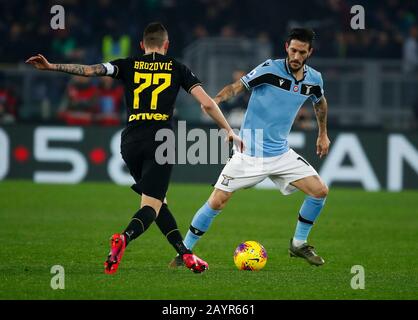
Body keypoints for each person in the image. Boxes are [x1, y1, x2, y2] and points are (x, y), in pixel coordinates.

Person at [26, 22, 243, 274]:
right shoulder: (177, 68)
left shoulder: (127, 64)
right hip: (160, 139)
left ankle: (186, 255)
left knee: (158, 201)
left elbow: (90, 71)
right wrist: (229, 130)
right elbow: (206, 104)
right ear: (166, 45)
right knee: (150, 207)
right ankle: (124, 238)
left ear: (142, 45)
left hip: (130, 140)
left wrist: (52, 66)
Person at [171, 28, 331, 267]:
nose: (296, 56)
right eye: (293, 50)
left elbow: (320, 102)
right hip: (249, 154)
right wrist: (216, 100)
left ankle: (298, 243)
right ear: (287, 46)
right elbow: (237, 87)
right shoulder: (269, 69)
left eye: (302, 52)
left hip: (281, 154)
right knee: (217, 201)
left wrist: (323, 134)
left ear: (310, 53)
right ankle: (185, 252)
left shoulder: (314, 79)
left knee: (320, 191)